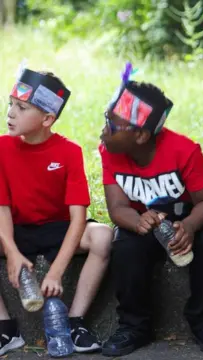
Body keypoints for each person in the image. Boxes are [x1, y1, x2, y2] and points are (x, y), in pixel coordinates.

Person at [99, 64, 203, 356]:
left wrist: (192, 226)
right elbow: (117, 207)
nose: (104, 129)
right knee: (125, 245)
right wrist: (136, 220)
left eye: (111, 123)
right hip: (142, 223)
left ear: (141, 136)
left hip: (186, 221)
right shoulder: (111, 151)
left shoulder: (184, 150)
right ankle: (134, 325)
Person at [0, 67, 113, 355]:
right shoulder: (1, 148)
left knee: (101, 236)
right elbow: (1, 209)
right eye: (10, 104)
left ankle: (75, 322)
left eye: (22, 107)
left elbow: (78, 218)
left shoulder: (69, 152)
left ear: (47, 119)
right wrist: (11, 252)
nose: (11, 113)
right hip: (16, 228)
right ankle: (5, 330)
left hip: (59, 227)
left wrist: (56, 272)